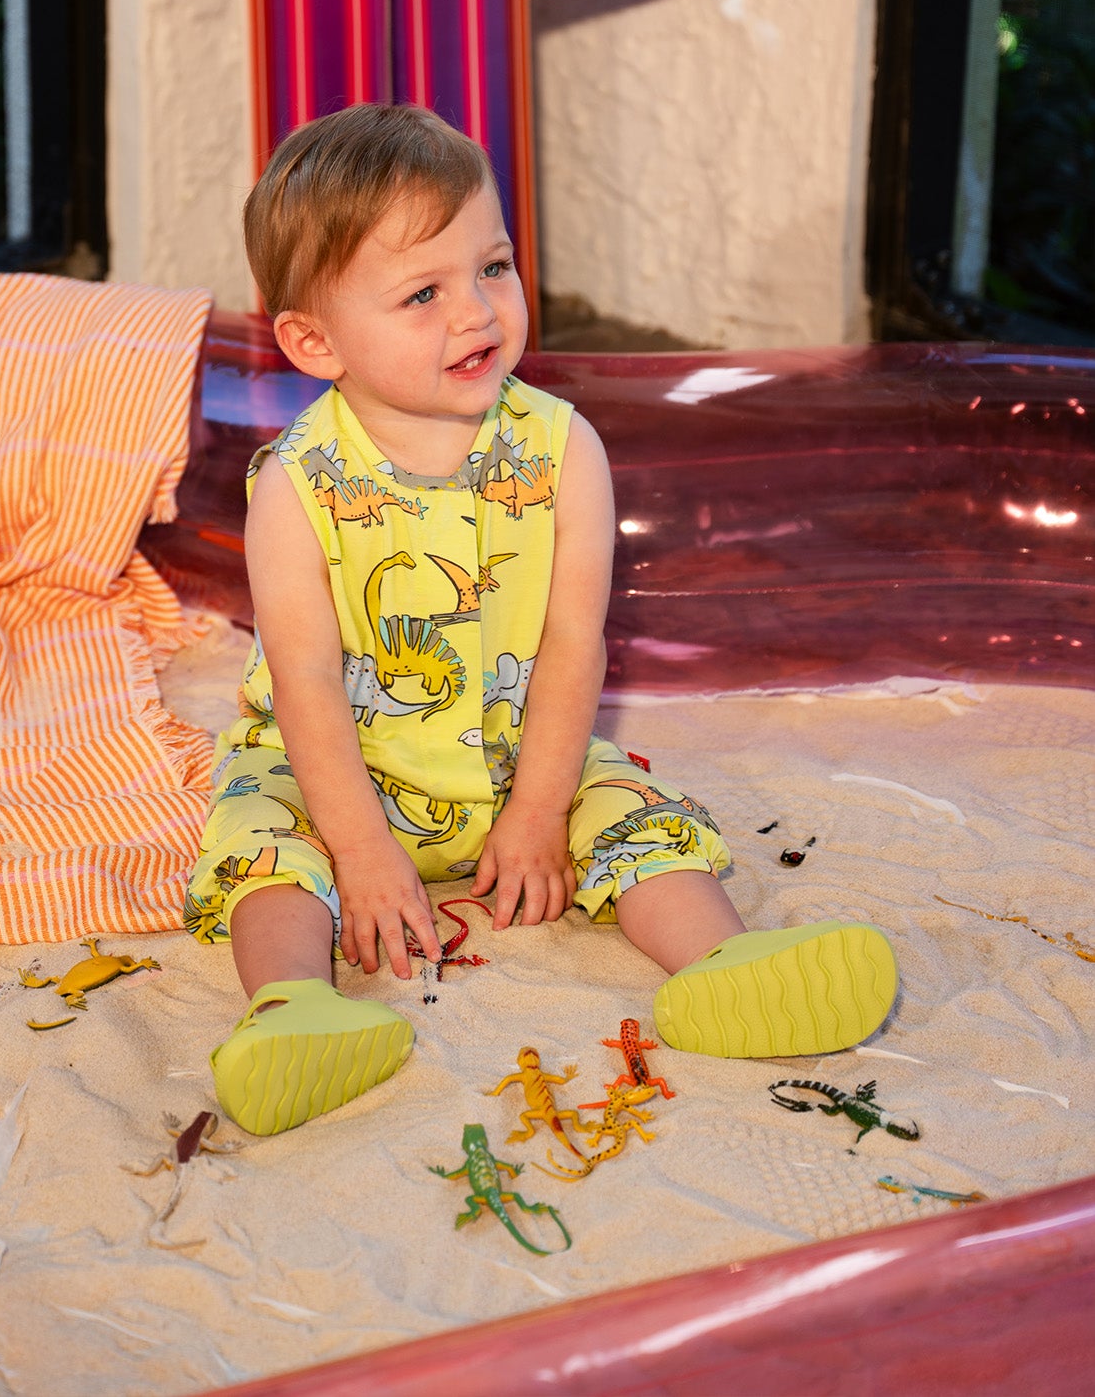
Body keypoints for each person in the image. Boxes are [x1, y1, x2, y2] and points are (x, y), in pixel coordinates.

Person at [183, 103, 897, 1135]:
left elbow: (573, 644)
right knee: (261, 842)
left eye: (494, 267)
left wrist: (537, 809)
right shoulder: (296, 490)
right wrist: (365, 850)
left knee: (633, 815)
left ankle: (725, 960)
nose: (476, 313)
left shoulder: (564, 451)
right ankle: (293, 1006)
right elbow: (303, 686)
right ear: (314, 340)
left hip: (525, 756)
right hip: (343, 768)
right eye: (422, 293)